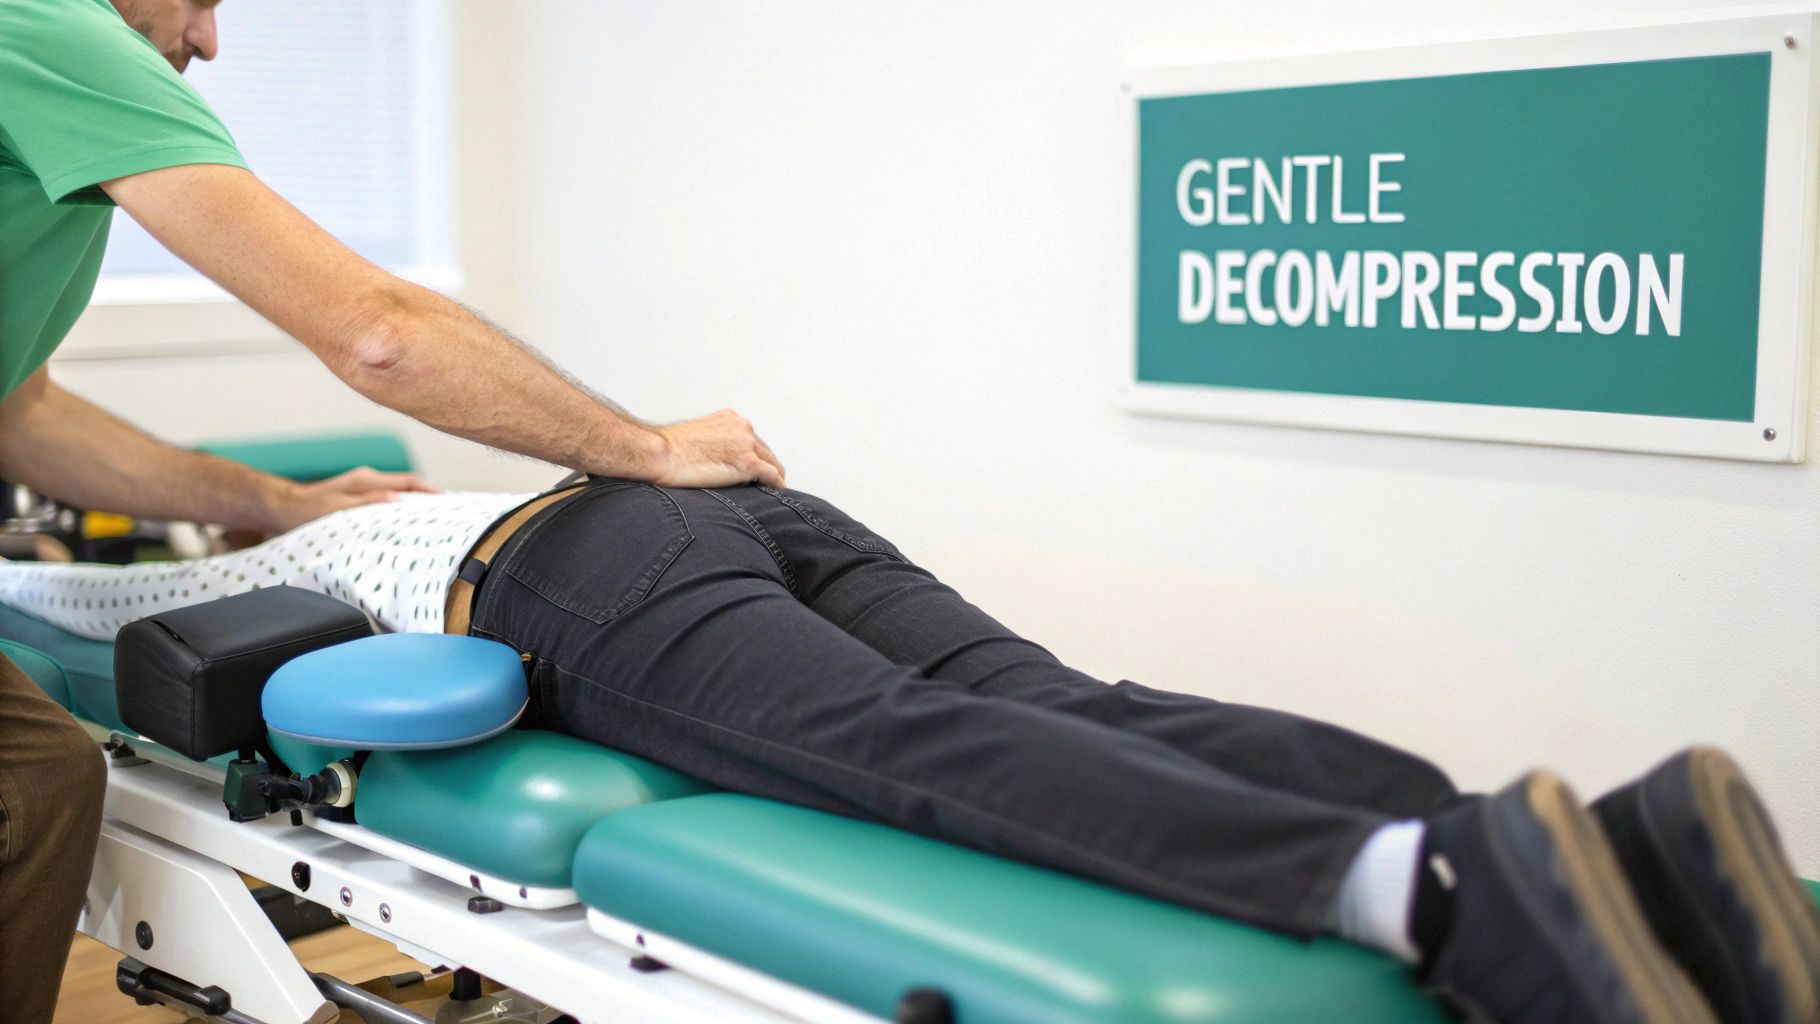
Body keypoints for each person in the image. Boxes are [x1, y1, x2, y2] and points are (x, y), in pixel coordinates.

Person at [2, 477, 1816, 1024]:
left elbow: (77, 627)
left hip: (556, 573)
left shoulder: (248, 549)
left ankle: (1438, 888)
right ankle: (1603, 845)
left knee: (901, 742)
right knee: (1070, 700)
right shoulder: (381, 475)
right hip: (719, 508)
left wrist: (105, 554)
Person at [0, 0, 782, 1019]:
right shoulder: (51, 24)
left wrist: (279, 501)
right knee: (35, 784)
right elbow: (378, 332)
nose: (207, 39)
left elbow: (26, 416)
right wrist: (649, 447)